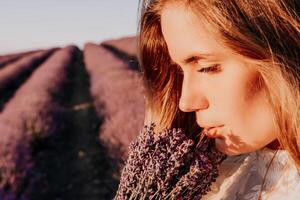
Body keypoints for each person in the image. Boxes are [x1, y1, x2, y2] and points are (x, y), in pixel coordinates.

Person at [137, 0, 300, 199]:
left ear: (284, 47)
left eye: (207, 68)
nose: (186, 102)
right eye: (179, 72)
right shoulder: (202, 180)